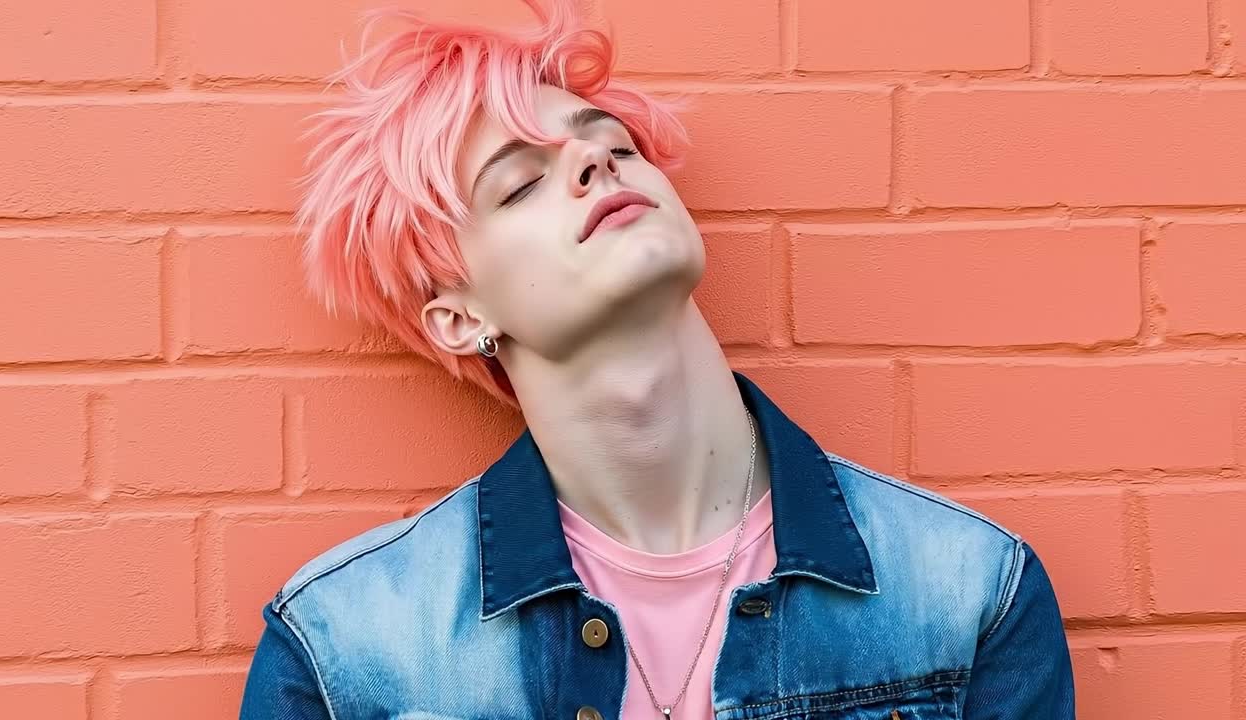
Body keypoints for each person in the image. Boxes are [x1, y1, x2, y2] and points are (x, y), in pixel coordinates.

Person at [238, 0, 1076, 718]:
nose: (595, 161)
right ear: (461, 318)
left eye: (616, 145)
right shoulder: (347, 651)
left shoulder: (964, 593)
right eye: (520, 184)